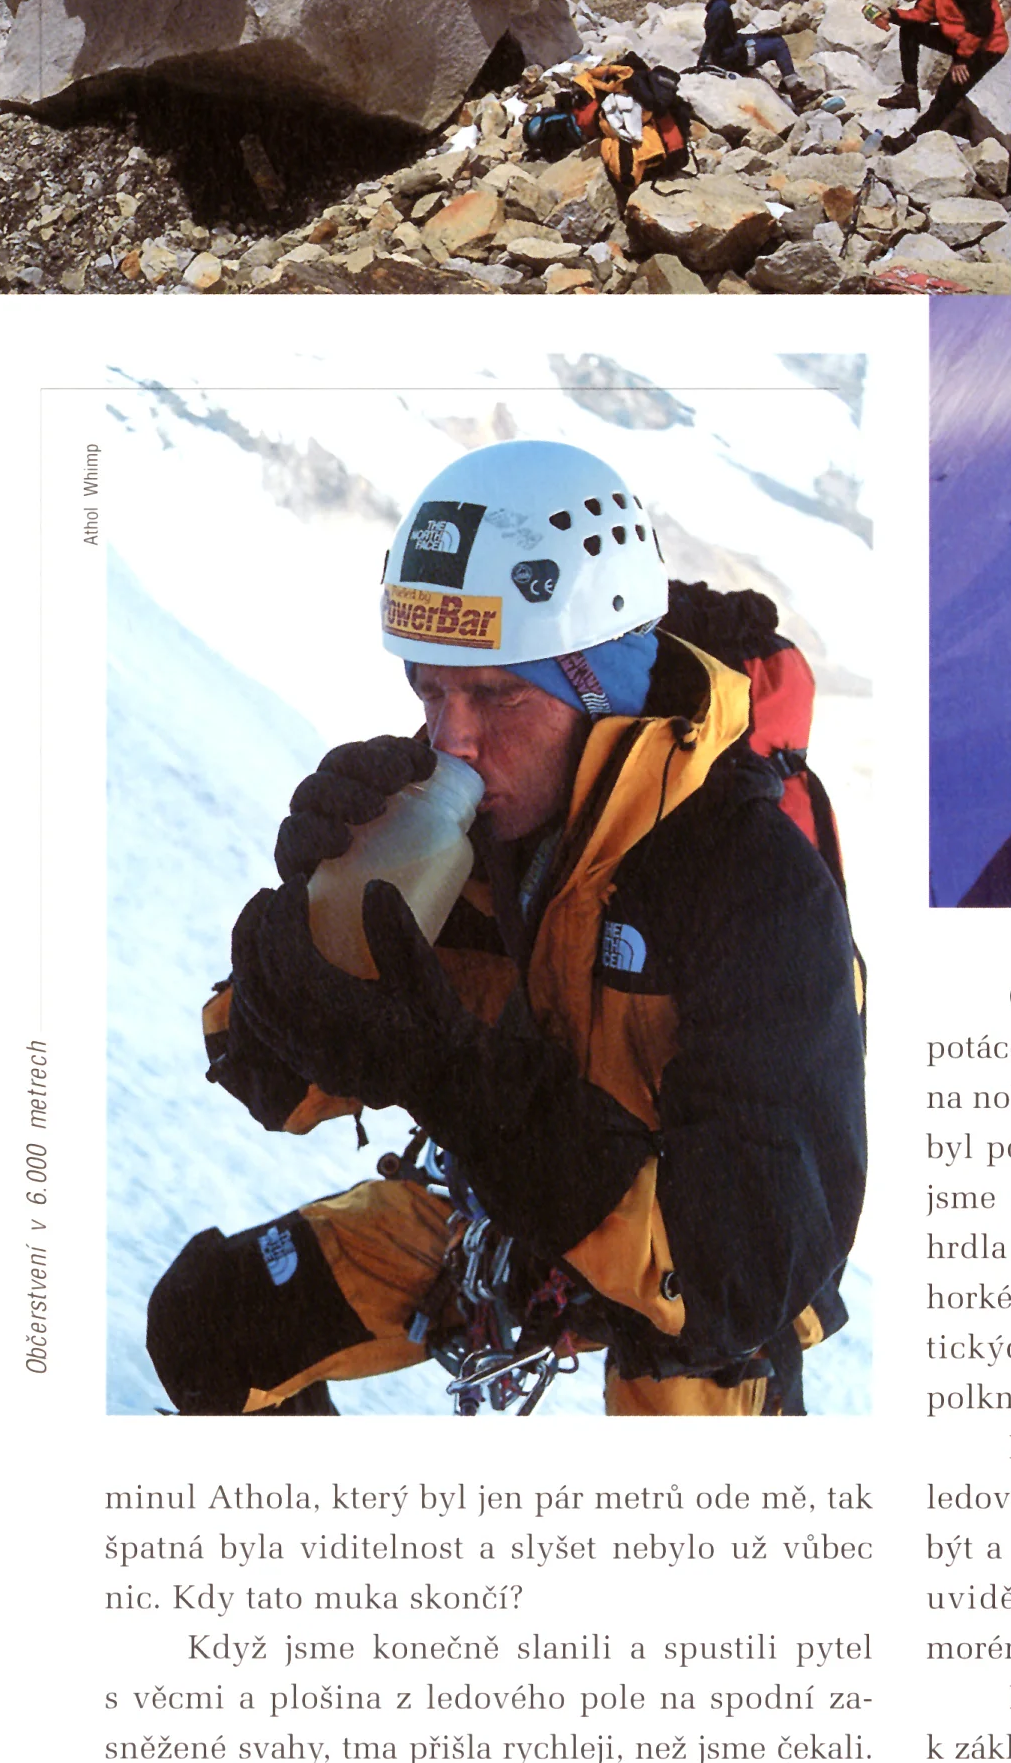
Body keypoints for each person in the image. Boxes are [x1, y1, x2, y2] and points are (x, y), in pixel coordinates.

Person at [146, 442, 866, 1418]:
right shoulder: (462, 820)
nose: (453, 741)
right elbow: (272, 1082)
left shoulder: (752, 887)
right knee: (208, 1323)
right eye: (430, 688)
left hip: (690, 1283)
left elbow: (737, 1275)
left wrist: (452, 1078)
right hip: (512, 1216)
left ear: (597, 689)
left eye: (495, 694)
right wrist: (301, 929)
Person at [877, 0, 1009, 150]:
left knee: (948, 90)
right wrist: (893, 15)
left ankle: (912, 138)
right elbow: (922, 13)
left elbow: (983, 25)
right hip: (958, 39)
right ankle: (910, 92)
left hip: (986, 46)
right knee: (910, 30)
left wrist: (961, 59)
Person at [703, 0, 800, 97]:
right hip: (734, 59)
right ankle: (794, 89)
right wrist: (747, 47)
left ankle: (788, 82)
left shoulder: (716, 7)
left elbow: (723, 38)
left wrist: (756, 37)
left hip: (727, 54)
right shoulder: (722, 11)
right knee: (778, 44)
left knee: (766, 37)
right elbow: (715, 40)